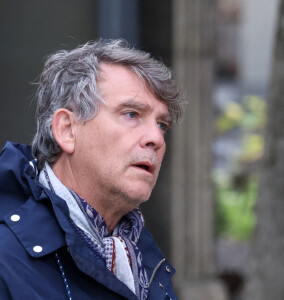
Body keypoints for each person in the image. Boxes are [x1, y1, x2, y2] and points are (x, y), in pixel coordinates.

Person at [0, 39, 184, 299]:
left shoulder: (145, 261)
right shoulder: (6, 258)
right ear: (67, 130)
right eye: (131, 114)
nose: (156, 138)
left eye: (162, 124)